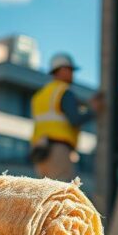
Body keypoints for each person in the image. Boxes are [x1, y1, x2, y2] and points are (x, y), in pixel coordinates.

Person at [30, 53, 100, 181]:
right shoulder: (64, 91)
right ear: (62, 70)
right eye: (70, 70)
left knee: (45, 194)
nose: (73, 74)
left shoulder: (40, 96)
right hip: (58, 151)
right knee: (61, 194)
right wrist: (93, 110)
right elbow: (75, 119)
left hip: (40, 152)